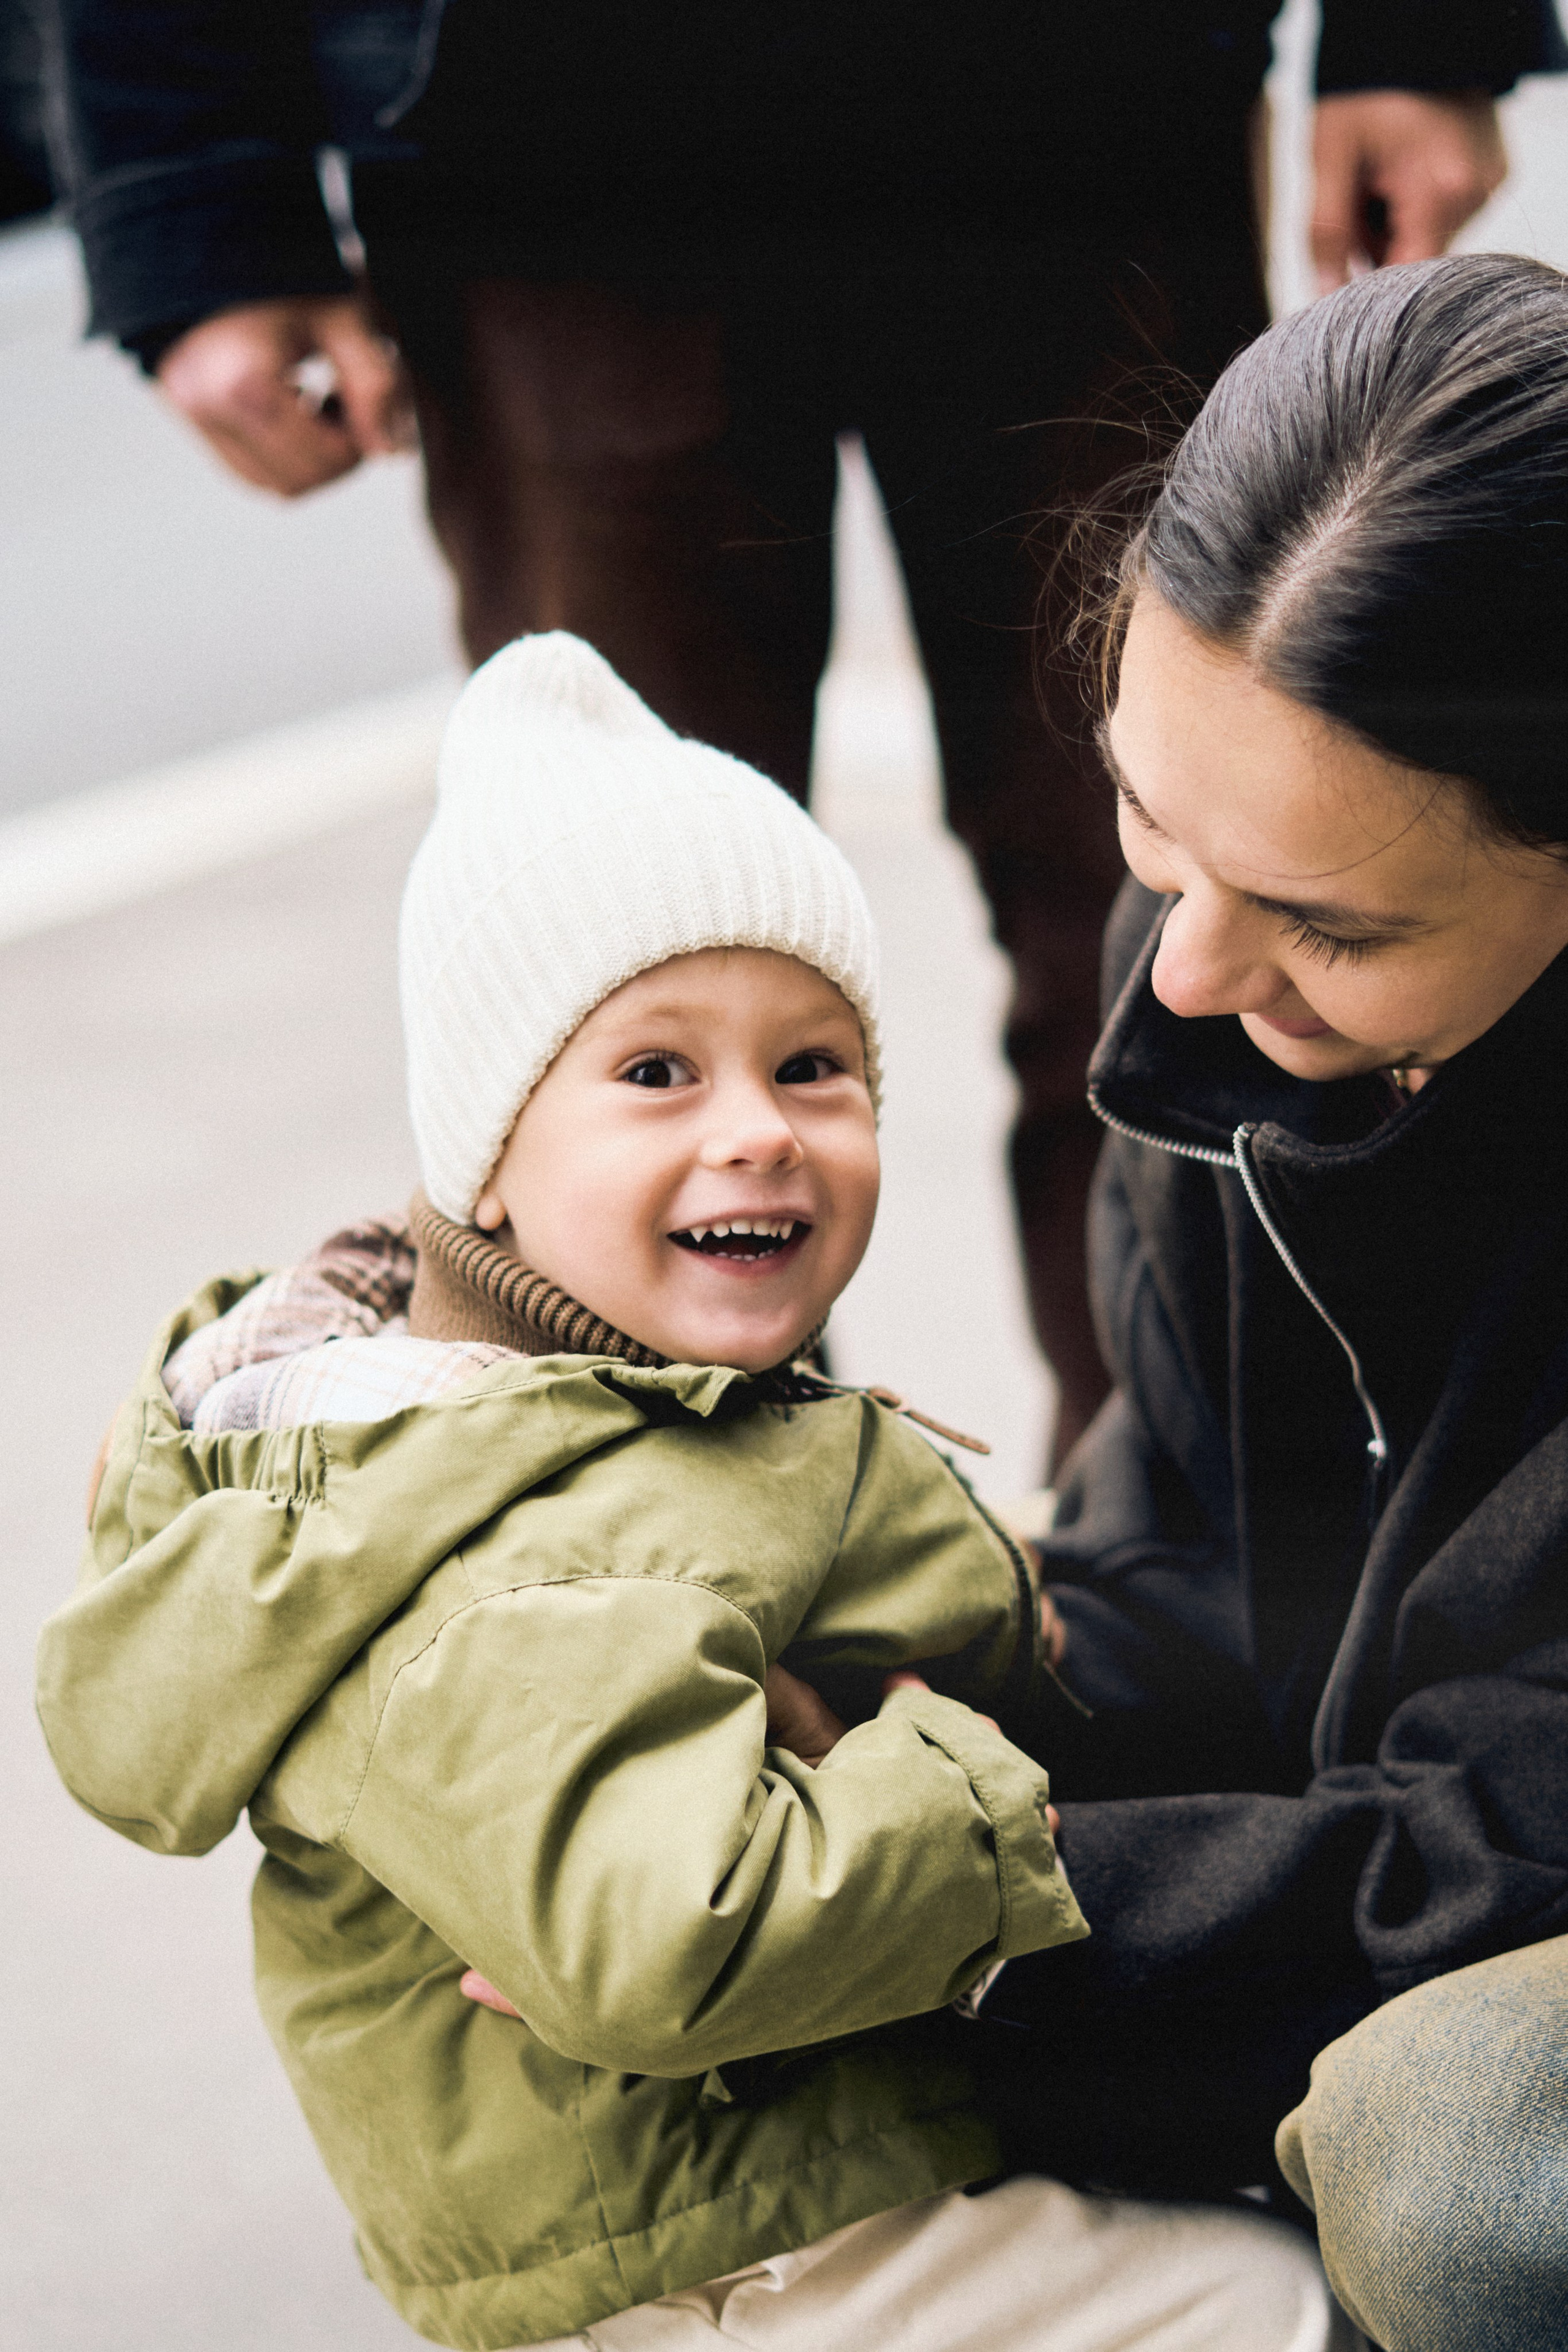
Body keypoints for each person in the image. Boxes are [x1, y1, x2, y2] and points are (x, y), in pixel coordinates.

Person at [36, 633, 1352, 2352]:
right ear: (488, 1159)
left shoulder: (595, 1423)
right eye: (657, 1073)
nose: (759, 1129)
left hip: (758, 2187)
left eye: (814, 1065)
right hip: (742, 2253)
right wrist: (975, 1796)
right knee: (1281, 2308)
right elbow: (671, 1939)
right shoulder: (529, 1553)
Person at [44, 0, 1566, 1466]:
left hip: (1076, 91)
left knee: (1189, 897)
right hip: (544, 124)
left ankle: (1207, 1590)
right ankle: (691, 1594)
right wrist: (189, 192)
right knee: (616, 984)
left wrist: (1415, 24)